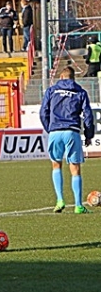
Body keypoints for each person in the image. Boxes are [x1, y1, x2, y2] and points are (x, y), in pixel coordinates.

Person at [40, 66, 94, 214]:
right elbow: (88, 115)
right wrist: (89, 135)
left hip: (55, 132)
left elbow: (43, 111)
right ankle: (78, 205)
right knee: (75, 168)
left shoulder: (51, 91)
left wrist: (50, 128)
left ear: (61, 77)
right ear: (73, 78)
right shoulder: (80, 92)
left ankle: (60, 200)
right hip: (72, 131)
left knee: (56, 165)